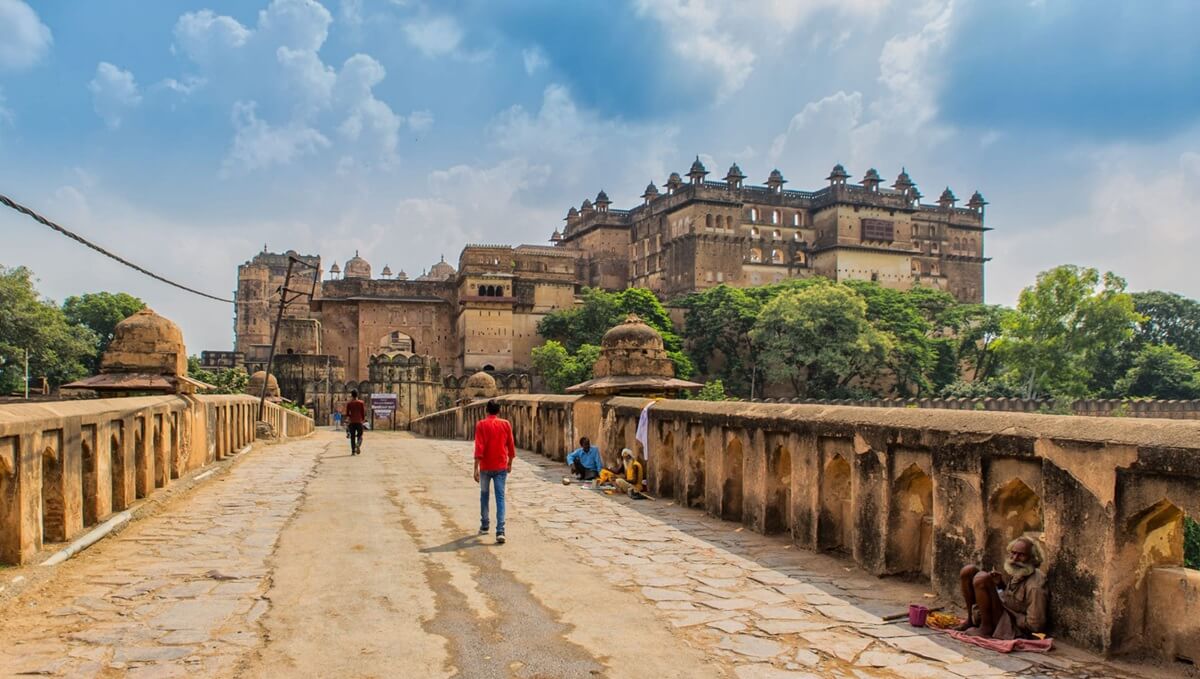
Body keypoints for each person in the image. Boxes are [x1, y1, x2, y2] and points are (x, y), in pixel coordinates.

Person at [957, 537, 1048, 639]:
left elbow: (1035, 626)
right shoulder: (1021, 571)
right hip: (1001, 613)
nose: (1015, 558)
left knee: (981, 579)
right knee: (968, 571)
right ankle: (970, 620)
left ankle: (985, 628)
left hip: (1010, 626)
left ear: (1032, 558)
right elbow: (1011, 600)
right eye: (1013, 553)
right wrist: (1000, 585)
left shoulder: (1035, 585)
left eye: (1021, 555)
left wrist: (1011, 613)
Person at [474, 400, 515, 544]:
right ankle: (500, 531)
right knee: (500, 497)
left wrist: (475, 468)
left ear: (487, 410)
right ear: (499, 411)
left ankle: (485, 525)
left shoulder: (481, 424)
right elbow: (510, 444)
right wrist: (510, 462)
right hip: (500, 466)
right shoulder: (505, 424)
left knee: (484, 495)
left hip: (485, 466)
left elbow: (479, 447)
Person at [345, 390, 366, 456]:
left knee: (352, 437)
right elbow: (363, 413)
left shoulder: (349, 403)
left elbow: (348, 414)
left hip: (352, 422)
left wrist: (348, 421)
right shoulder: (361, 403)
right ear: (357, 395)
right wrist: (363, 420)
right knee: (360, 436)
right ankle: (358, 444)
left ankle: (353, 451)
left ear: (352, 395)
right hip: (359, 421)